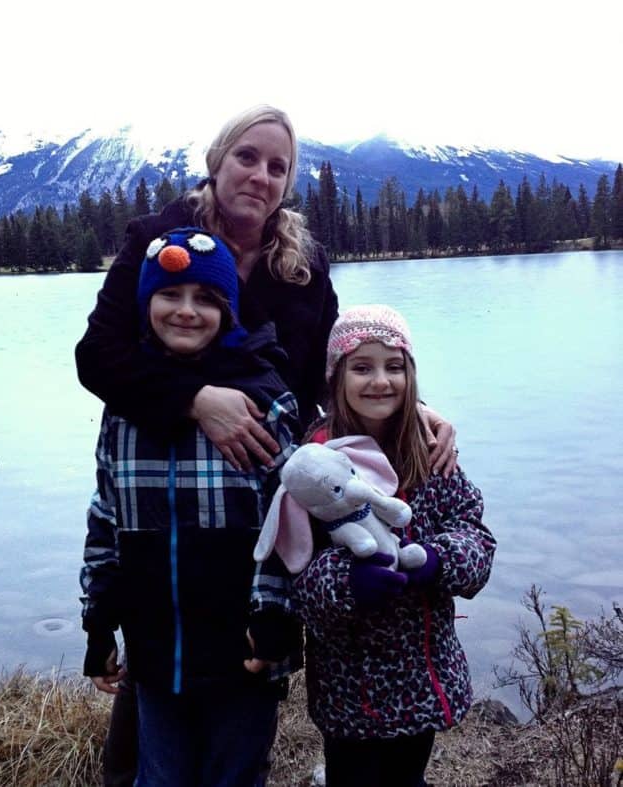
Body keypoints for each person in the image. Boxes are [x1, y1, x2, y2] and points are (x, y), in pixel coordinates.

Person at [74, 104, 457, 785]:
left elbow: (331, 374)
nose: (260, 174)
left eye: (277, 166)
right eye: (247, 157)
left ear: (289, 181)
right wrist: (194, 399)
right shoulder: (157, 237)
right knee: (147, 735)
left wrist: (410, 407)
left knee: (237, 731)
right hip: (158, 485)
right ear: (218, 159)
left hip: (256, 496)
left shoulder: (301, 262)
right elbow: (97, 358)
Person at [80, 228, 303, 787]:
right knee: (159, 778)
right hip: (155, 654)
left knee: (236, 776)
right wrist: (100, 620)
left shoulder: (264, 400)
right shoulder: (127, 407)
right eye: (170, 295)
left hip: (244, 651)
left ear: (229, 313)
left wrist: (276, 616)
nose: (187, 311)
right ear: (144, 304)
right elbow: (105, 516)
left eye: (207, 298)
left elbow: (291, 519)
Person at [290, 305, 497, 787]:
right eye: (362, 367)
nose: (380, 381)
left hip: (422, 672)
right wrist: (346, 582)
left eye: (394, 366)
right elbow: (294, 566)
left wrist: (442, 560)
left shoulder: (430, 453)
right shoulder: (316, 463)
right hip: (349, 683)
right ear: (336, 377)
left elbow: (475, 535)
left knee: (407, 776)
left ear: (411, 374)